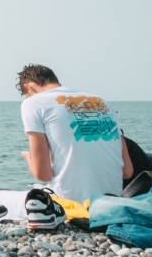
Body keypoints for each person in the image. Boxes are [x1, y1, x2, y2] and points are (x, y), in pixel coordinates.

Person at [17, 64, 132, 202]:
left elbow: (43, 175)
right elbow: (127, 172)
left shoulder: (33, 103)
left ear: (28, 87)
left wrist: (30, 159)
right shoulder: (100, 101)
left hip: (71, 203)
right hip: (113, 201)